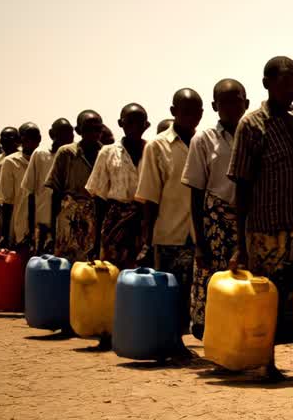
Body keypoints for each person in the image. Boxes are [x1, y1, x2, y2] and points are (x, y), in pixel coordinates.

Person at [228, 56, 293, 381]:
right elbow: (240, 184)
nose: (292, 90)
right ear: (266, 84)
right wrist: (240, 242)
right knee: (266, 299)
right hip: (265, 227)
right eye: (285, 83)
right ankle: (264, 361)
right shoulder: (252, 125)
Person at [137, 89, 204, 344]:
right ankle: (168, 341)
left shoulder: (203, 143)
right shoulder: (157, 146)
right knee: (168, 290)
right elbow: (150, 197)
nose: (190, 117)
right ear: (174, 112)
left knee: (190, 293)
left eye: (196, 112)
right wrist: (147, 238)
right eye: (184, 111)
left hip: (197, 234)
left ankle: (179, 340)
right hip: (168, 233)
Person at [182, 79, 248, 339]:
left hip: (247, 221)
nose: (232, 107)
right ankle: (216, 342)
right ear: (214, 106)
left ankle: (241, 343)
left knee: (244, 286)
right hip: (214, 225)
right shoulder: (204, 140)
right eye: (225, 102)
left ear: (247, 103)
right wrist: (199, 242)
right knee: (213, 285)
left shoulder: (254, 133)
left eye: (237, 101)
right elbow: (196, 193)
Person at [87, 104, 149, 274]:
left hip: (145, 221)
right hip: (115, 223)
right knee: (112, 271)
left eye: (139, 123)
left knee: (140, 275)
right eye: (129, 122)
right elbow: (98, 199)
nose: (134, 127)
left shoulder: (153, 151)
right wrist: (96, 241)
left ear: (146, 125)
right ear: (121, 123)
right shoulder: (107, 153)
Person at [46, 111, 103, 263]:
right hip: (69, 221)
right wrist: (53, 232)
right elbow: (55, 194)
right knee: (66, 266)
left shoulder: (106, 154)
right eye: (88, 129)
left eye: (97, 129)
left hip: (95, 219)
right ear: (78, 131)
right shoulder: (66, 153)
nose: (93, 133)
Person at [21, 118, 74, 255]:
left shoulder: (73, 157)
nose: (67, 138)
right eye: (62, 134)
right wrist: (31, 229)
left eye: (69, 134)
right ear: (52, 134)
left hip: (66, 228)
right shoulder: (40, 155)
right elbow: (30, 193)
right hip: (43, 227)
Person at [0, 123, 41, 249]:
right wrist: (4, 235)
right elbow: (7, 201)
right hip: (20, 226)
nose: (32, 142)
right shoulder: (10, 162)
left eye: (35, 138)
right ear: (20, 140)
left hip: (42, 226)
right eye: (27, 138)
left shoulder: (44, 160)